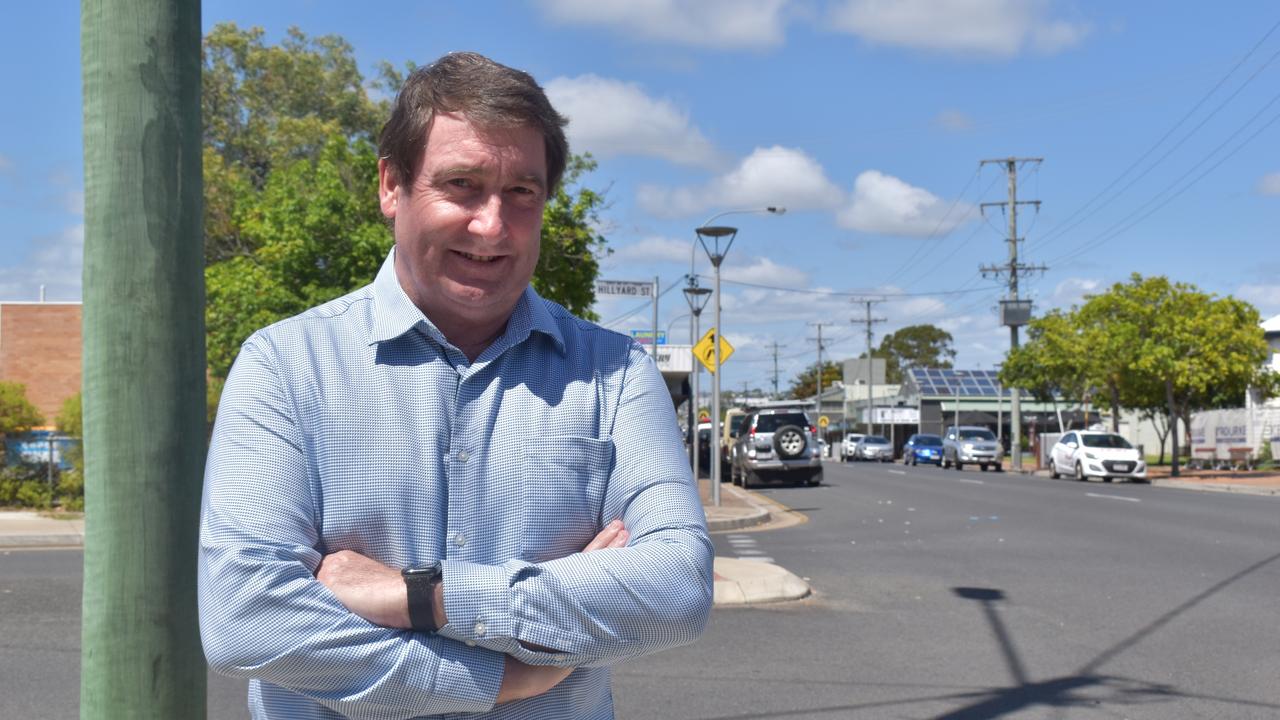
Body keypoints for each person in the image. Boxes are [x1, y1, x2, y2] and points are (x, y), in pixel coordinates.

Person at [198, 51, 713, 719]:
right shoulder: (286, 366)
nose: (492, 225)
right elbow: (246, 619)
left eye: (521, 192)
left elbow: (678, 589)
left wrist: (423, 595)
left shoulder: (614, 374)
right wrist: (504, 675)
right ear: (392, 186)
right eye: (462, 185)